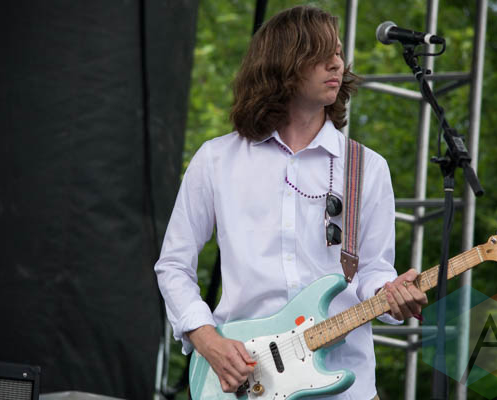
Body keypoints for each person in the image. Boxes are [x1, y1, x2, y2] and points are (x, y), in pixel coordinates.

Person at [155, 5, 427, 399]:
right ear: (282, 64)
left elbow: (372, 271)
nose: (336, 64)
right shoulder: (216, 159)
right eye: (321, 55)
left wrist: (391, 293)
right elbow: (174, 265)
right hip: (246, 379)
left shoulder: (366, 166)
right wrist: (207, 340)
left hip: (345, 384)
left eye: (338, 53)